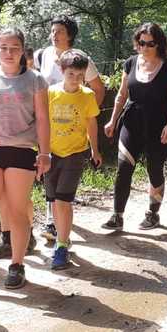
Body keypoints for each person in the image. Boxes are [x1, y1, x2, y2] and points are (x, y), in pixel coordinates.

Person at [0, 27, 51, 290]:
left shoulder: (35, 80)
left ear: (22, 50)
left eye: (14, 48)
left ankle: (17, 265)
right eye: (4, 47)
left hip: (22, 150)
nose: (8, 52)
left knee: (17, 210)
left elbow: (43, 118)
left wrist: (44, 152)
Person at [102, 22, 167, 231]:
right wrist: (112, 119)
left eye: (150, 43)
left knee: (154, 170)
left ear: (159, 44)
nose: (144, 47)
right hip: (132, 121)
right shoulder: (130, 63)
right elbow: (122, 94)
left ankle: (153, 213)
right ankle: (117, 215)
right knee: (123, 167)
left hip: (158, 124)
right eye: (141, 42)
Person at [35, 15, 106, 243]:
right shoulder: (44, 54)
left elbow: (98, 88)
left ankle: (59, 233)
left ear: (70, 35)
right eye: (52, 31)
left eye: (60, 32)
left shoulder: (81, 59)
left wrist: (85, 112)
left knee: (63, 195)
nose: (54, 35)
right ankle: (52, 222)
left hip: (73, 136)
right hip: (50, 129)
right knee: (51, 184)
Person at [45, 49, 104, 270]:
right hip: (52, 153)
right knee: (53, 199)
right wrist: (39, 151)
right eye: (71, 74)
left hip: (75, 154)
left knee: (64, 200)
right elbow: (41, 121)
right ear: (62, 71)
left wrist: (95, 150)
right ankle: (63, 236)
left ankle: (61, 247)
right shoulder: (50, 92)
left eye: (80, 75)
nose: (76, 79)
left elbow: (91, 123)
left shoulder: (87, 96)